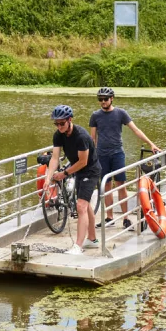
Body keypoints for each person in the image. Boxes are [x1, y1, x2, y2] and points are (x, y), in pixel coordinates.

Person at [89, 87, 160, 230]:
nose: (103, 102)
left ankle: (126, 218)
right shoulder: (95, 116)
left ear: (112, 99)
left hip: (117, 154)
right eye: (100, 99)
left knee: (121, 185)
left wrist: (151, 143)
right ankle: (109, 218)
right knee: (106, 186)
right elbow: (92, 138)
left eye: (105, 99)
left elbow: (136, 130)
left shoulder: (120, 113)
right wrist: (92, 157)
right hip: (102, 155)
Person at [43, 104, 101, 255]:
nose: (59, 126)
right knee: (86, 205)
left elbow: (83, 162)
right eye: (56, 123)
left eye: (62, 123)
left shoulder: (81, 136)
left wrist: (64, 174)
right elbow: (55, 158)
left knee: (81, 206)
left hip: (90, 170)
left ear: (70, 120)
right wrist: (48, 179)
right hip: (77, 170)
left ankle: (78, 246)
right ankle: (93, 240)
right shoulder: (58, 135)